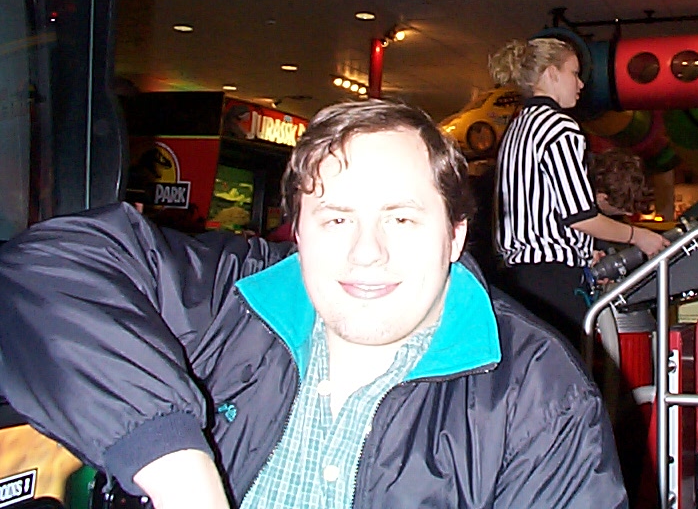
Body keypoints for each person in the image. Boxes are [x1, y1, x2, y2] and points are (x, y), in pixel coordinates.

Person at [0, 99, 627, 509]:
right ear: (296, 230)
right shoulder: (226, 301)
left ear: (455, 235)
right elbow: (43, 267)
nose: (367, 252)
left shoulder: (537, 392)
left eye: (401, 218)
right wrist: (176, 464)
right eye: (336, 219)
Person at [490, 37, 667, 344]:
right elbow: (579, 216)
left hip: (520, 275)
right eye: (574, 73)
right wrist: (639, 236)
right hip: (553, 279)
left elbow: (543, 209)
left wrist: (582, 251)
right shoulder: (559, 127)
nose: (581, 84)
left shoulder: (518, 126)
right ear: (551, 74)